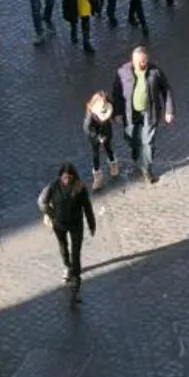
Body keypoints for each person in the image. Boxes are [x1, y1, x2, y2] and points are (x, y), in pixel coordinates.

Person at [113, 45, 174, 183]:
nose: (141, 64)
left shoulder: (155, 71)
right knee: (132, 139)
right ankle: (136, 157)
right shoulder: (122, 72)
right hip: (130, 113)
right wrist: (117, 113)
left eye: (143, 61)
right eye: (138, 62)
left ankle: (146, 170)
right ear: (132, 60)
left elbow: (166, 90)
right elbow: (116, 94)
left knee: (148, 142)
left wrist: (169, 111)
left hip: (150, 112)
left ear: (147, 59)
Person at [38, 163, 96, 302]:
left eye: (69, 177)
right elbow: (42, 202)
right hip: (59, 225)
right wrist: (52, 214)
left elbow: (87, 207)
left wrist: (91, 224)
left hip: (76, 224)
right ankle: (67, 265)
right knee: (63, 246)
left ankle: (76, 283)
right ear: (60, 177)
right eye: (64, 177)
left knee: (76, 252)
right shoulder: (53, 186)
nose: (67, 180)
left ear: (73, 176)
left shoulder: (80, 188)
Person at [83, 92, 122, 188]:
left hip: (106, 129)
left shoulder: (108, 104)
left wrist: (115, 118)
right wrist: (97, 138)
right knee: (95, 152)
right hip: (94, 132)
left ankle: (113, 164)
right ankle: (97, 176)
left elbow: (114, 111)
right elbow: (87, 129)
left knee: (108, 146)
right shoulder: (89, 117)